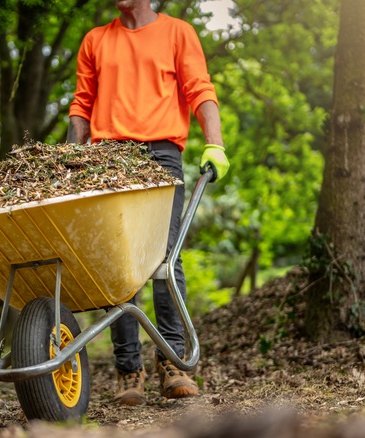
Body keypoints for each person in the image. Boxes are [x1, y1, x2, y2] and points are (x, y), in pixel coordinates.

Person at [66, 0, 230, 406]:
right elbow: (81, 106)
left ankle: (174, 363)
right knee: (118, 263)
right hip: (110, 159)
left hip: (162, 155)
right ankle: (128, 370)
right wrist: (66, 162)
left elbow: (200, 89)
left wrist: (215, 142)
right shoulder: (96, 40)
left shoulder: (178, 33)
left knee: (164, 258)